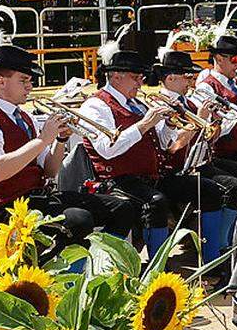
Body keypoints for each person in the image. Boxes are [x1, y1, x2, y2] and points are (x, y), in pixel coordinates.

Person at [0, 45, 131, 255]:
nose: (30, 87)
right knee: (79, 220)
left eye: (30, 81)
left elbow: (50, 170)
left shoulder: (25, 117)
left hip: (38, 198)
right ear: (1, 82)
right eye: (23, 81)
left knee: (123, 209)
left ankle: (102, 262)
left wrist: (60, 140)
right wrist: (43, 139)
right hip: (8, 209)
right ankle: (61, 275)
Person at [77, 45, 181, 258]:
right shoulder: (96, 105)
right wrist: (144, 124)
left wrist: (169, 125)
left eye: (141, 77)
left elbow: (161, 143)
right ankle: (156, 267)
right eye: (135, 77)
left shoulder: (138, 104)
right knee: (156, 201)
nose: (140, 82)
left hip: (147, 176)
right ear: (115, 77)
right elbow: (107, 149)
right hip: (116, 179)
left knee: (204, 188)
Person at [151, 49, 237, 272]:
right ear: (170, 78)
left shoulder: (189, 103)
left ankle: (221, 248)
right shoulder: (158, 105)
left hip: (197, 163)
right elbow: (173, 147)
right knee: (216, 191)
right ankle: (213, 257)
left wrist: (215, 122)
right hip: (171, 171)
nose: (192, 82)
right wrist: (200, 121)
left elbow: (209, 138)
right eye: (187, 77)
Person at [196, 33, 237, 182]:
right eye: (235, 60)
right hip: (225, 154)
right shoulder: (206, 87)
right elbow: (211, 131)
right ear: (219, 58)